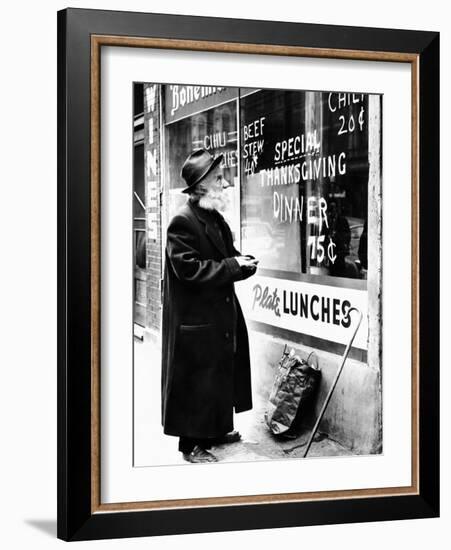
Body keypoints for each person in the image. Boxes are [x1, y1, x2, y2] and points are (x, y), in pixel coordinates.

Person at [161, 149, 259, 464]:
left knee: (216, 378)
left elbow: (226, 254)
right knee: (195, 382)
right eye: (218, 178)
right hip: (195, 320)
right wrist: (233, 265)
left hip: (216, 315)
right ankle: (190, 446)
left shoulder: (213, 217)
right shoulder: (182, 221)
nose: (225, 182)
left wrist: (243, 263)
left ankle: (215, 430)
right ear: (202, 185)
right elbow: (189, 270)